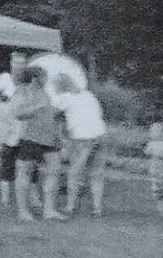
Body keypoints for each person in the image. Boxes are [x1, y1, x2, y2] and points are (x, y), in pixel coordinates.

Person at [10, 65, 64, 222]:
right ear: (35, 78)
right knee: (24, 172)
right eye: (44, 77)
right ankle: (23, 212)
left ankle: (49, 210)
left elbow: (47, 113)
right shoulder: (22, 91)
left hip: (50, 138)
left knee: (54, 171)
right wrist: (37, 107)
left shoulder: (44, 92)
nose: (47, 80)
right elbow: (18, 113)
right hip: (30, 138)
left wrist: (55, 114)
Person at [50, 74, 108, 217]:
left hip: (82, 138)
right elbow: (98, 113)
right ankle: (97, 209)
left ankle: (70, 207)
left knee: (74, 173)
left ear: (59, 86)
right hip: (100, 134)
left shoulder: (63, 98)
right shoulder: (88, 95)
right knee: (96, 174)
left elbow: (51, 113)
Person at [0, 52, 28, 207]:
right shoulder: (4, 78)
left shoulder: (28, 81)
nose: (19, 66)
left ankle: (31, 198)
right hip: (6, 125)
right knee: (6, 161)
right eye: (17, 63)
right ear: (11, 63)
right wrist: (1, 103)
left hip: (23, 126)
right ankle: (5, 199)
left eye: (23, 63)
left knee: (27, 162)